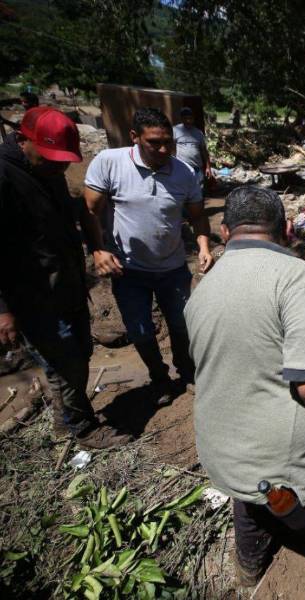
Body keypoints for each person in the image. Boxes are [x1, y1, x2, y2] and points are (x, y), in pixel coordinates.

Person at [184, 186, 305, 595]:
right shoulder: (297, 278)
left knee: (251, 503)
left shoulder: (201, 287)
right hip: (287, 466)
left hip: (221, 455)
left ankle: (249, 570)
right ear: (289, 229)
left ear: (224, 232)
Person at [0, 107, 132, 448]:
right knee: (65, 361)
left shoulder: (49, 171)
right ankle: (82, 428)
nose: (60, 167)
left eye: (64, 162)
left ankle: (65, 420)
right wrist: (4, 310)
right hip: (33, 297)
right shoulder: (4, 178)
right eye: (51, 159)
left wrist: (96, 247)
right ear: (22, 139)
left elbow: (73, 215)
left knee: (78, 353)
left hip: (67, 286)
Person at [83, 107, 213, 406]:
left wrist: (204, 246)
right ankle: (160, 377)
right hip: (128, 271)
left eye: (169, 142)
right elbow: (90, 210)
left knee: (181, 325)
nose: (164, 149)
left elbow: (198, 216)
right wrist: (99, 249)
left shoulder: (184, 172)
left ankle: (187, 371)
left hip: (173, 267)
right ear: (134, 138)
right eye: (154, 142)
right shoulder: (109, 163)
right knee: (140, 330)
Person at [173, 107, 213, 187]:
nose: (188, 120)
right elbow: (171, 148)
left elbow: (204, 151)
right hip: (181, 168)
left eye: (190, 118)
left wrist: (208, 167)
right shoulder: (175, 130)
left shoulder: (198, 133)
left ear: (193, 118)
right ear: (182, 119)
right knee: (183, 189)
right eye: (185, 118)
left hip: (197, 168)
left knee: (198, 190)